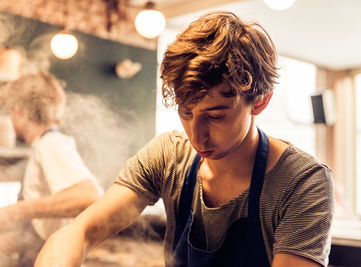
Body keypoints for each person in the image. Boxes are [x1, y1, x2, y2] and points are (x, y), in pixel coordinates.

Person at [35, 11, 334, 267]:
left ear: (259, 102)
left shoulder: (303, 183)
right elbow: (81, 232)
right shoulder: (168, 157)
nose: (197, 136)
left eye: (216, 116)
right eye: (186, 113)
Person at [0, 72, 102, 266]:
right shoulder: (44, 145)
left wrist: (13, 211)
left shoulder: (51, 144)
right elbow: (38, 229)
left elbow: (88, 196)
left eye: (11, 110)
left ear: (20, 111)